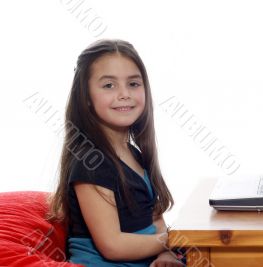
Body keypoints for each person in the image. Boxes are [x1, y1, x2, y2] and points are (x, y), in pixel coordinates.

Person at [47, 39, 185, 267]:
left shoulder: (135, 154)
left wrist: (166, 254)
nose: (124, 94)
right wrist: (174, 240)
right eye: (109, 85)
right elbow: (113, 245)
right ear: (86, 97)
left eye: (133, 84)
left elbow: (156, 219)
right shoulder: (90, 162)